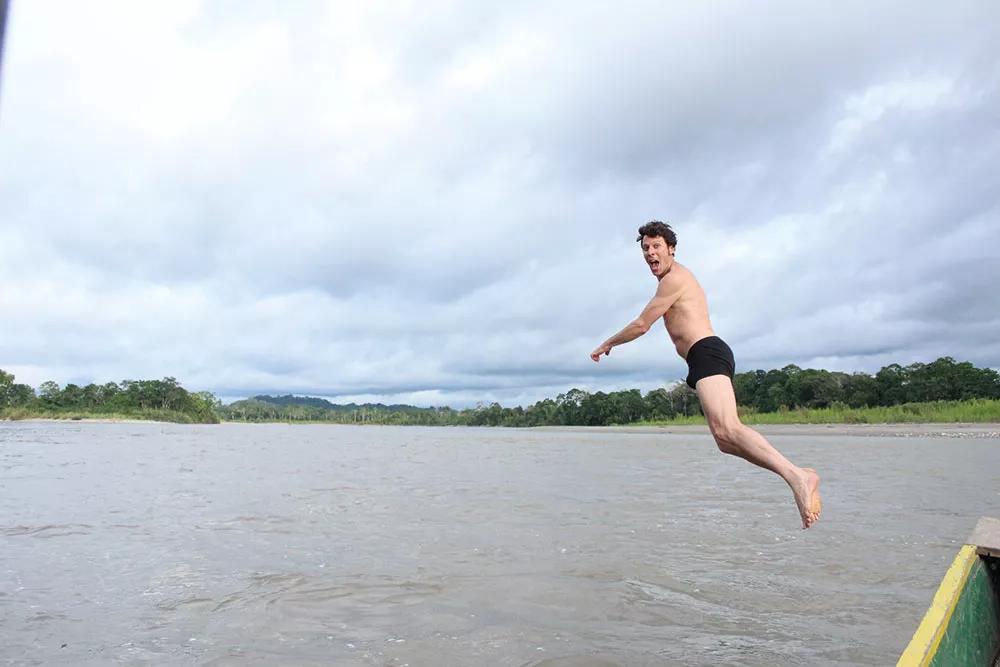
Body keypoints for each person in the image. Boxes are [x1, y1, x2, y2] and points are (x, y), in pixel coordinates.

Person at [590, 220, 821, 529]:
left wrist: (608, 343)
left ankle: (798, 477)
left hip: (707, 351)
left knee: (730, 428)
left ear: (671, 249)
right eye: (645, 248)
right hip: (702, 358)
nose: (650, 253)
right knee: (724, 440)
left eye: (656, 246)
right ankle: (795, 474)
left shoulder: (674, 279)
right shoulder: (671, 280)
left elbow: (643, 323)